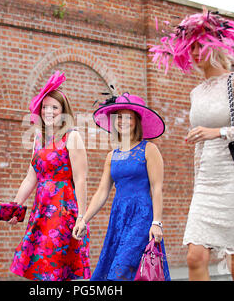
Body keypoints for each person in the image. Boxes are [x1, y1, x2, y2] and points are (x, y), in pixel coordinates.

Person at [149, 8, 234, 281]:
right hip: (206, 182)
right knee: (195, 257)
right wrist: (197, 182)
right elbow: (198, 144)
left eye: (199, 46)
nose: (193, 53)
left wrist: (218, 132)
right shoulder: (196, 93)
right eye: (190, 47)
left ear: (215, 46)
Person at [72, 92, 171, 281]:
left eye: (128, 117)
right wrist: (83, 219)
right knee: (120, 270)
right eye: (119, 117)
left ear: (137, 121)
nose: (122, 121)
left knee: (121, 269)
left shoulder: (149, 149)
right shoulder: (111, 156)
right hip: (118, 217)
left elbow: (157, 188)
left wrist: (157, 223)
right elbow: (102, 192)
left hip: (142, 217)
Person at [8, 70, 91, 281]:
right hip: (41, 208)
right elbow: (30, 178)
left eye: (54, 107)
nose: (48, 111)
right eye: (45, 107)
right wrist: (16, 206)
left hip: (63, 208)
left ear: (64, 111)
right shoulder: (38, 139)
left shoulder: (72, 137)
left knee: (55, 264)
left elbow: (81, 179)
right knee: (41, 265)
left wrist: (82, 216)